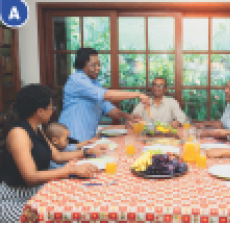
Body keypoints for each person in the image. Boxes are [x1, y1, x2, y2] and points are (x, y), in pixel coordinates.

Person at [0, 84, 103, 223]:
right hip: (14, 197)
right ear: (40, 111)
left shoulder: (38, 130)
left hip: (35, 190)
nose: (52, 111)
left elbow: (58, 156)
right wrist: (72, 170)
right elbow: (31, 177)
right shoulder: (19, 134)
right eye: (51, 107)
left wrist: (87, 152)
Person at [58, 47, 150, 142]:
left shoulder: (94, 83)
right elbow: (107, 95)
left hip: (88, 137)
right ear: (82, 65)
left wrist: (129, 116)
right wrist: (138, 94)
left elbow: (108, 109)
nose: (98, 68)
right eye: (93, 65)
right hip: (72, 136)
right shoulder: (77, 80)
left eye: (99, 65)